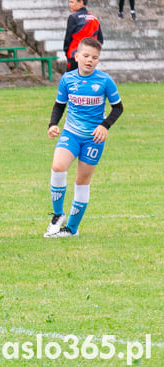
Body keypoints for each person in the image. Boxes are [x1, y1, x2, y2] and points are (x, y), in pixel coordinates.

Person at [44, 38, 122, 238]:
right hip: (71, 133)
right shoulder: (68, 79)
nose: (90, 60)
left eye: (94, 58)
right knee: (58, 166)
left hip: (93, 139)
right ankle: (58, 214)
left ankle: (71, 229)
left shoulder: (104, 81)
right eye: (86, 56)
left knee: (82, 180)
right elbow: (59, 105)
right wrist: (53, 124)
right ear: (76, 56)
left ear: (98, 60)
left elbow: (118, 107)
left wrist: (105, 126)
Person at [63, 0, 103, 72]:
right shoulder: (94, 19)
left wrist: (66, 51)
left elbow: (68, 38)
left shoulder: (73, 17)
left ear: (80, 2)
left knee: (72, 80)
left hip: (75, 55)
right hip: (89, 57)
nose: (70, 4)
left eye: (72, 2)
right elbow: (100, 40)